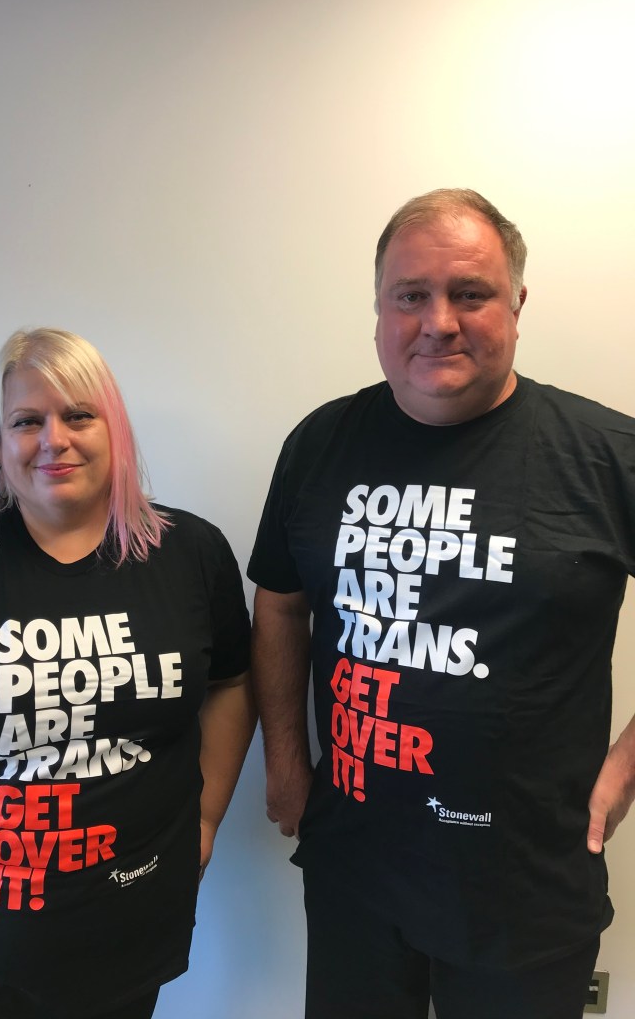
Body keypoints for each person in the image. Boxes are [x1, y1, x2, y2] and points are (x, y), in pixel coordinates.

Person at [247, 189, 635, 1019]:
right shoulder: (320, 443)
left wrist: (628, 765)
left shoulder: (605, 455)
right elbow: (280, 604)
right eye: (411, 295)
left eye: (470, 294)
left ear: (517, 304)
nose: (439, 321)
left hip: (526, 882)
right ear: (380, 307)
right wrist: (285, 759)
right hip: (355, 863)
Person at [0, 327, 256, 1019]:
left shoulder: (189, 553)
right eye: (26, 421)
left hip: (134, 924)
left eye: (79, 414)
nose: (55, 439)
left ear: (115, 430)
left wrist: (206, 814)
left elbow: (230, 681)